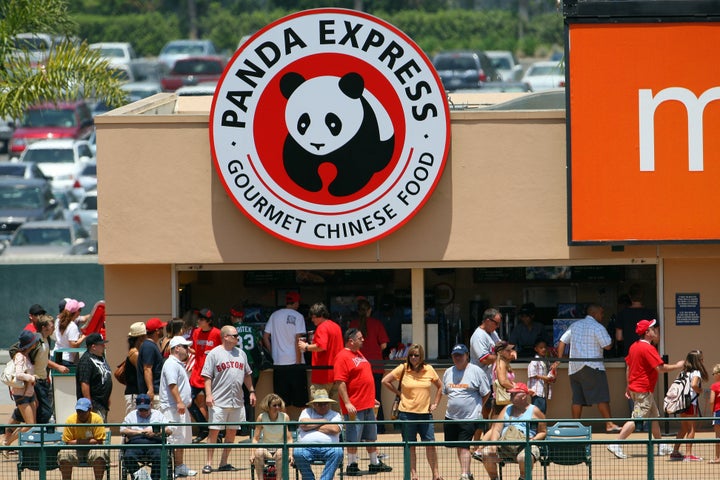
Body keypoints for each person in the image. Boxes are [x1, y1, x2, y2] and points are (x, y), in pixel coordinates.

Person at [606, 319, 684, 459]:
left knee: (654, 417)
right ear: (647, 332)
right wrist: (678, 366)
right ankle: (615, 443)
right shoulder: (648, 348)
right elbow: (660, 368)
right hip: (643, 390)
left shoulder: (634, 346)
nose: (655, 330)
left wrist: (628, 386)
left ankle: (660, 445)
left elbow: (629, 368)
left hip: (638, 388)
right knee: (636, 419)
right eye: (652, 328)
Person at [335, 327, 392, 475]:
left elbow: (362, 378)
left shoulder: (359, 354)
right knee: (353, 437)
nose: (363, 340)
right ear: (351, 340)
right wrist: (347, 403)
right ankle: (352, 464)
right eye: (360, 338)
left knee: (371, 436)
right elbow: (340, 382)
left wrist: (371, 397)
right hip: (355, 405)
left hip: (367, 404)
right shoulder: (342, 356)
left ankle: (374, 463)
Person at [556, 303, 622, 432]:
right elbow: (607, 346)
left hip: (574, 368)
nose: (603, 316)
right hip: (592, 366)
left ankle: (575, 425)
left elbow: (562, 341)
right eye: (602, 313)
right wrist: (613, 339)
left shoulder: (575, 325)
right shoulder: (598, 327)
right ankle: (609, 424)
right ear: (595, 313)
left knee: (577, 399)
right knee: (601, 397)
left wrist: (560, 359)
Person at [381, 343, 443, 480]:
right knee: (410, 446)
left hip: (425, 414)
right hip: (406, 414)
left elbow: (440, 387)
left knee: (431, 445)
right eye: (411, 355)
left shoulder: (429, 369)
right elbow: (385, 381)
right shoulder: (403, 368)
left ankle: (436, 474)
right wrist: (399, 393)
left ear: (421, 357)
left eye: (416, 355)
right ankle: (413, 475)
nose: (413, 358)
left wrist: (436, 404)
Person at [201, 325, 256, 474]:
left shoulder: (241, 354)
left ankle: (223, 462)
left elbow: (247, 374)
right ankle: (208, 463)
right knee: (214, 432)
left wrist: (251, 391)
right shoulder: (214, 353)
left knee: (231, 432)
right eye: (235, 335)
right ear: (225, 337)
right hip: (218, 400)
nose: (238, 338)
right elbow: (207, 376)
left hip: (237, 401)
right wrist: (208, 394)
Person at [442, 343, 491, 480]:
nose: (457, 358)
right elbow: (446, 392)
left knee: (464, 446)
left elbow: (486, 393)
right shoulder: (448, 372)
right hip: (451, 417)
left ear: (467, 356)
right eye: (455, 355)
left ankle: (464, 474)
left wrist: (479, 407)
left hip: (469, 417)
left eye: (460, 355)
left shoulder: (476, 371)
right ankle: (467, 473)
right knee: (460, 446)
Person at [480, 383, 546, 480]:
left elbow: (543, 432)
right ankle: (494, 478)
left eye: (514, 394)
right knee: (486, 453)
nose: (511, 396)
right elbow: (497, 429)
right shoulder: (506, 408)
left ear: (523, 396)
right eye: (511, 394)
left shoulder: (535, 410)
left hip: (525, 445)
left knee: (524, 457)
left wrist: (533, 440)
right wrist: (493, 444)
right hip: (504, 444)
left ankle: (523, 477)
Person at [263, 291, 309, 413]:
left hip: (278, 364)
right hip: (295, 362)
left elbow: (265, 337)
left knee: (281, 402)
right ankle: (303, 426)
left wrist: (273, 352)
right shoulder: (298, 316)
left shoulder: (274, 315)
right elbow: (298, 339)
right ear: (296, 302)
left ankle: (284, 428)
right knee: (302, 400)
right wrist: (298, 361)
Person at [159, 335, 198, 477]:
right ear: (177, 348)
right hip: (172, 408)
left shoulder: (177, 364)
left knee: (181, 439)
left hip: (180, 408)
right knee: (173, 439)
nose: (188, 349)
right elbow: (172, 384)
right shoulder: (170, 364)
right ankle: (171, 470)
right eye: (185, 346)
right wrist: (179, 402)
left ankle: (179, 467)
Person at [348, 298, 389, 431]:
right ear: (370, 310)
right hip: (375, 366)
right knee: (376, 398)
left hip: (356, 366)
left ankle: (361, 428)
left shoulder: (353, 325)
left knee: (358, 399)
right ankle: (380, 427)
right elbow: (384, 345)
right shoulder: (377, 323)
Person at [298, 302, 344, 406]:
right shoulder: (336, 327)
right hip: (336, 374)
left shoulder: (322, 327)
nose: (312, 320)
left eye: (314, 317)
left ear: (322, 315)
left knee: (319, 409)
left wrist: (306, 347)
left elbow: (321, 346)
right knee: (336, 410)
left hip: (322, 375)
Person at [120, 393, 174, 480]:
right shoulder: (131, 415)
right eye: (141, 410)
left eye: (146, 409)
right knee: (128, 456)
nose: (143, 412)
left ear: (151, 405)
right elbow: (122, 430)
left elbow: (169, 430)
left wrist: (156, 433)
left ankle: (154, 479)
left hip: (154, 444)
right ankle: (142, 477)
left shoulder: (158, 414)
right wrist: (139, 432)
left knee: (160, 456)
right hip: (135, 444)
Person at [293, 388, 344, 480]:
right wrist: (323, 421)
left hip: (329, 448)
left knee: (338, 452)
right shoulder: (306, 412)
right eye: (319, 404)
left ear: (329, 404)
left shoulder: (335, 414)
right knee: (297, 452)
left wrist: (312, 426)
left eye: (325, 403)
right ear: (314, 404)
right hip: (306, 448)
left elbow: (335, 429)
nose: (323, 406)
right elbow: (304, 424)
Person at [670, 349, 708, 461]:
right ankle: (688, 454)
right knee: (691, 428)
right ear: (698, 361)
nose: (703, 361)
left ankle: (675, 452)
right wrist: (700, 390)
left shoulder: (683, 372)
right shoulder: (696, 372)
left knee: (683, 428)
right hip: (691, 403)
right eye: (701, 359)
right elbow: (694, 384)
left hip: (682, 403)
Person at [57, 398, 109, 480]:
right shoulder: (70, 420)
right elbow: (68, 441)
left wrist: (78, 441)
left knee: (99, 454)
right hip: (75, 449)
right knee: (64, 454)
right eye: (78, 411)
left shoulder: (97, 419)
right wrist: (87, 441)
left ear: (89, 409)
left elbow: (99, 440)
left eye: (83, 411)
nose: (80, 413)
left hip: (93, 448)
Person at [189, 308, 221, 443]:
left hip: (212, 375)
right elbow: (194, 349)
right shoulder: (196, 332)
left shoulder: (217, 333)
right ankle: (204, 428)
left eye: (201, 319)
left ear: (209, 321)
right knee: (188, 401)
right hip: (197, 373)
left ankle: (216, 433)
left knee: (214, 406)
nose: (199, 321)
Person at [231, 305, 263, 434]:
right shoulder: (252, 329)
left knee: (239, 397)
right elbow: (259, 344)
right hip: (252, 365)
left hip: (237, 365)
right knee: (251, 396)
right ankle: (249, 427)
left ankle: (241, 427)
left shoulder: (233, 331)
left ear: (234, 318)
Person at [470, 308, 503, 420]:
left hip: (488, 379)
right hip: (478, 380)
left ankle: (488, 434)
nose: (498, 326)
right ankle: (479, 437)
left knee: (491, 409)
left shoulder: (492, 332)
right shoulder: (478, 336)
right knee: (482, 412)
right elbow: (484, 359)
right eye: (496, 323)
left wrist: (509, 349)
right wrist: (501, 356)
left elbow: (500, 346)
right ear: (488, 321)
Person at [251, 393, 292, 480]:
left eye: (279, 405)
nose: (277, 407)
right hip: (266, 449)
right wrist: (252, 454)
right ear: (268, 406)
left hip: (280, 449)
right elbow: (255, 438)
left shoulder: (285, 417)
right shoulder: (261, 417)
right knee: (258, 453)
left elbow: (289, 439)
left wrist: (291, 454)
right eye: (274, 405)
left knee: (281, 453)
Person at [76, 333, 113, 421]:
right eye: (101, 344)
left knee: (101, 428)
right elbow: (84, 383)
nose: (104, 346)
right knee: (95, 430)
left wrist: (108, 398)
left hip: (102, 402)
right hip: (94, 403)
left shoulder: (101, 357)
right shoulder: (86, 360)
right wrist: (88, 403)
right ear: (93, 346)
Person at [614, 284, 656, 357]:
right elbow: (656, 338)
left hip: (630, 353)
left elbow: (619, 337)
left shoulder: (622, 314)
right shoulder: (650, 313)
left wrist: (629, 337)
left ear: (629, 296)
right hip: (647, 353)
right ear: (643, 296)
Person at [138, 317, 167, 409]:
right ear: (157, 331)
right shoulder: (148, 346)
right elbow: (147, 368)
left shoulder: (151, 345)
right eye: (162, 328)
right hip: (154, 393)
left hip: (157, 392)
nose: (163, 330)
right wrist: (150, 390)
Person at [526, 339, 559, 414]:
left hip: (543, 391)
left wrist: (552, 376)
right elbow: (532, 373)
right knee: (537, 413)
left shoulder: (546, 361)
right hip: (536, 391)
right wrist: (545, 378)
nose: (543, 349)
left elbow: (549, 373)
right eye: (541, 348)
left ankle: (539, 426)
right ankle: (535, 426)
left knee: (542, 412)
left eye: (545, 347)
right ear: (536, 349)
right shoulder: (535, 360)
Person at [54, 299, 87, 366]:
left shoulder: (58, 321)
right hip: (66, 360)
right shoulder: (72, 326)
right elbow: (73, 346)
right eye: (80, 310)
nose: (80, 312)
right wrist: (84, 336)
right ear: (76, 312)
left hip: (56, 357)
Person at [124, 322, 147, 414]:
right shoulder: (135, 353)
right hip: (134, 394)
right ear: (141, 337)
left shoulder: (136, 351)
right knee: (133, 421)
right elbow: (142, 372)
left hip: (136, 393)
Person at [491, 340, 517, 418]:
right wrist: (516, 388)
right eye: (508, 350)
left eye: (511, 350)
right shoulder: (501, 363)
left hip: (503, 399)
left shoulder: (503, 362)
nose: (511, 352)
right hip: (501, 400)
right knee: (497, 428)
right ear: (501, 352)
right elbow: (503, 381)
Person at [709, 363, 720, 464]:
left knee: (718, 436)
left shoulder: (715, 386)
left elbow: (712, 401)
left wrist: (711, 410)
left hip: (718, 411)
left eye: (713, 373)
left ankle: (718, 457)